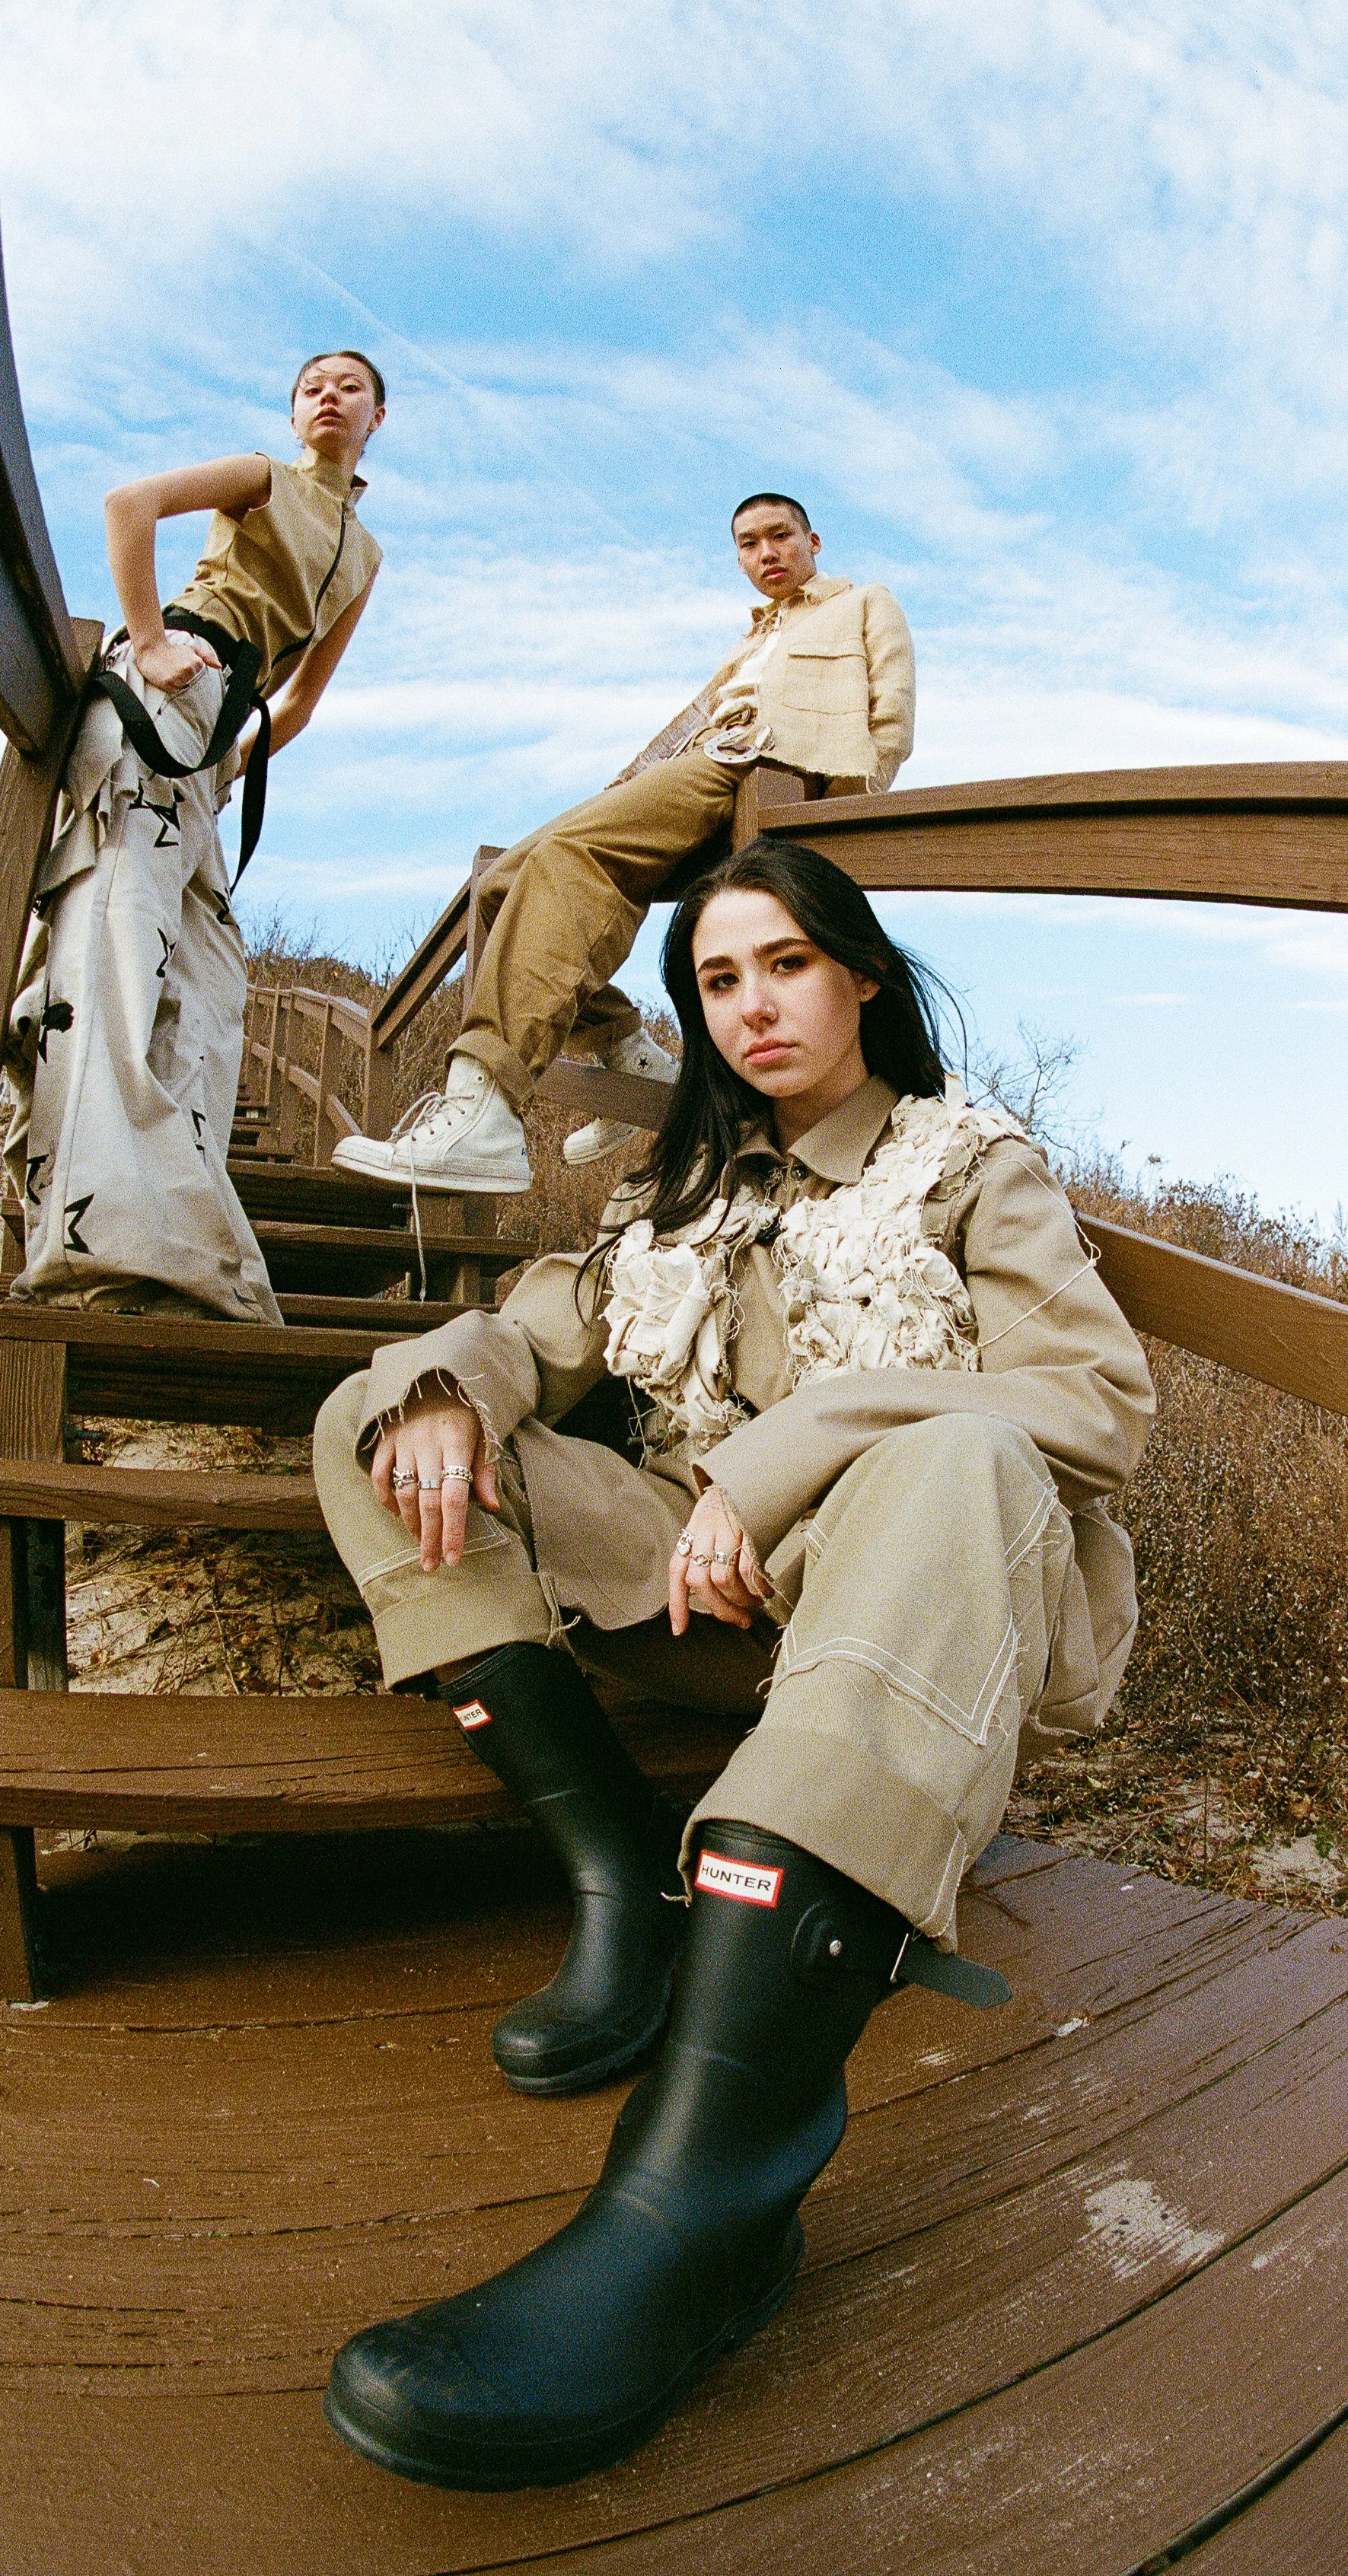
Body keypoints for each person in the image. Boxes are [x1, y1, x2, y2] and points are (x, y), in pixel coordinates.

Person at [311, 834, 1155, 2488]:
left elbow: (1098, 1409)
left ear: (857, 976)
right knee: (382, 1411)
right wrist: (448, 1385)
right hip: (701, 1610)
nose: (751, 1005)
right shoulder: (680, 1196)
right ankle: (622, 1877)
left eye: (784, 963)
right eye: (715, 979)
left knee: (961, 1461)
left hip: (903, 1607)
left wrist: (795, 1454)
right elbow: (535, 1331)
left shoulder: (967, 1163)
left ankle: (704, 2200)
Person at [330, 492, 914, 1194]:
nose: (767, 553)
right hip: (703, 761)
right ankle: (622, 1047)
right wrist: (624, 787)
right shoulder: (750, 641)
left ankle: (486, 1105)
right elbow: (691, 724)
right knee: (500, 885)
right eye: (749, 543)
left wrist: (833, 826)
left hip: (764, 768)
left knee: (566, 860)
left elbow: (892, 720)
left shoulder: (862, 603)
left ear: (813, 540)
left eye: (780, 536)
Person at [2, 352, 387, 1322]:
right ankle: (95, 1245)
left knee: (210, 983)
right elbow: (130, 504)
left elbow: (298, 701)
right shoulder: (266, 476)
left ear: (380, 415)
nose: (329, 395)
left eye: (350, 385)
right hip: (168, 682)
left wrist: (230, 760)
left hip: (215, 738)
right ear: (294, 412)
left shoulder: (366, 553)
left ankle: (174, 1239)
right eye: (312, 385)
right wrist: (154, 637)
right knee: (119, 946)